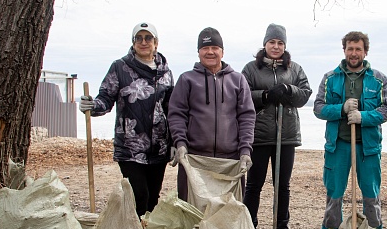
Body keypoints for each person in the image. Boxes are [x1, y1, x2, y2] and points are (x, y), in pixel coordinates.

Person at [79, 22, 174, 218]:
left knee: (152, 199)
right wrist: (92, 105)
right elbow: (106, 97)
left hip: (159, 148)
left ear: (156, 43)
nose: (143, 42)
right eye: (138, 38)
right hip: (130, 146)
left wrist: (173, 142)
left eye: (148, 38)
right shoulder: (120, 67)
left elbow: (170, 109)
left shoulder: (166, 72)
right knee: (139, 195)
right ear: (133, 43)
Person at [313, 31, 387, 229]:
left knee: (370, 194)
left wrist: (363, 117)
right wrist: (341, 109)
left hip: (367, 147)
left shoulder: (378, 79)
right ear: (344, 50)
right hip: (338, 145)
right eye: (350, 48)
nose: (354, 53)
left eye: (358, 49)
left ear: (365, 51)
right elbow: (318, 108)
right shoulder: (330, 78)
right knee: (334, 193)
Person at [241, 24, 312, 229]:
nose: (276, 46)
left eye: (280, 43)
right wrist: (265, 95)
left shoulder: (295, 69)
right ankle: (250, 227)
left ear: (285, 45)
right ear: (265, 44)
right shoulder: (251, 69)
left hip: (286, 134)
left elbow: (305, 95)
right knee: (254, 184)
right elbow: (242, 95)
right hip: (259, 134)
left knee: (283, 185)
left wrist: (289, 90)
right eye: (272, 42)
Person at [168, 27, 256, 202]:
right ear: (199, 52)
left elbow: (246, 116)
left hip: (230, 161)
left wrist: (245, 150)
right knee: (193, 214)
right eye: (205, 48)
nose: (210, 52)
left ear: (222, 52)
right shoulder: (186, 79)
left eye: (215, 48)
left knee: (227, 214)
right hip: (194, 159)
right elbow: (177, 114)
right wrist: (180, 144)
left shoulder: (238, 80)